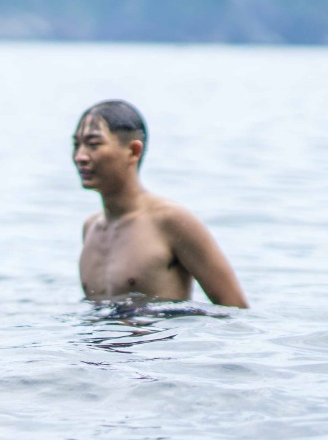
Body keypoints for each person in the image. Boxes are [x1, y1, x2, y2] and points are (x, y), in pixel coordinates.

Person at [72, 100, 248, 307]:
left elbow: (235, 309)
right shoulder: (91, 228)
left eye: (93, 145)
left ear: (133, 151)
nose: (80, 156)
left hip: (156, 338)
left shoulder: (170, 221)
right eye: (76, 145)